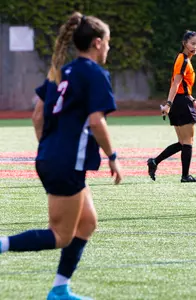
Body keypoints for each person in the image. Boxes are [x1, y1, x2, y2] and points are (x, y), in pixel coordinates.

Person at [0, 12, 122, 300]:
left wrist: (50, 149)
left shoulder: (60, 72)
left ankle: (59, 289)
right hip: (65, 163)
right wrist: (113, 156)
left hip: (54, 158)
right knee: (60, 235)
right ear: (96, 43)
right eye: (107, 43)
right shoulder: (94, 74)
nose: (108, 48)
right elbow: (96, 121)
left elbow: (37, 116)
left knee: (87, 223)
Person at [147, 30, 196, 182]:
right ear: (184, 43)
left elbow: (183, 87)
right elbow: (176, 84)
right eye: (192, 43)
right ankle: (185, 176)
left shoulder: (184, 59)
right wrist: (168, 104)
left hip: (182, 101)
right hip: (180, 103)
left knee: (182, 143)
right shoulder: (184, 60)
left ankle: (154, 162)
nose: (195, 46)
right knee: (188, 142)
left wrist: (193, 101)